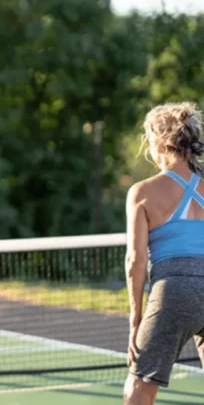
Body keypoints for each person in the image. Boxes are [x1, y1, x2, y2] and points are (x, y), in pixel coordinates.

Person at [123, 102, 204, 405]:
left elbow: (136, 260)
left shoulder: (143, 192)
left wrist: (135, 319)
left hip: (173, 290)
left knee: (138, 390)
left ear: (159, 140)